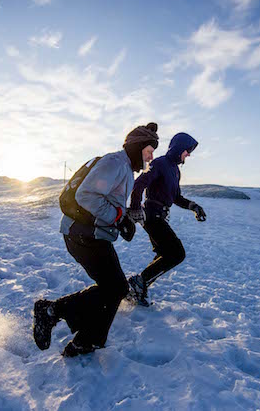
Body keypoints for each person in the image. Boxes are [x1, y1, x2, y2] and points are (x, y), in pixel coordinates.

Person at [33, 123, 159, 357]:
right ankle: (51, 312)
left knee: (114, 288)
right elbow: (86, 195)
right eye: (149, 150)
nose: (151, 156)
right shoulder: (115, 163)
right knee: (116, 287)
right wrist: (119, 220)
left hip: (92, 234)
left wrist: (124, 221)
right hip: (82, 234)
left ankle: (86, 340)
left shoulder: (125, 169)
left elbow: (110, 203)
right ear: (137, 147)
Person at [126, 132, 206, 306]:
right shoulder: (160, 163)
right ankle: (139, 283)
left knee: (165, 254)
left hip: (160, 216)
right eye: (187, 150)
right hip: (151, 215)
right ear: (179, 149)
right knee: (177, 254)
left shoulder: (175, 171)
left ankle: (138, 287)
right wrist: (134, 208)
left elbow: (176, 197)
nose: (189, 154)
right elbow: (139, 183)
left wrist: (194, 206)